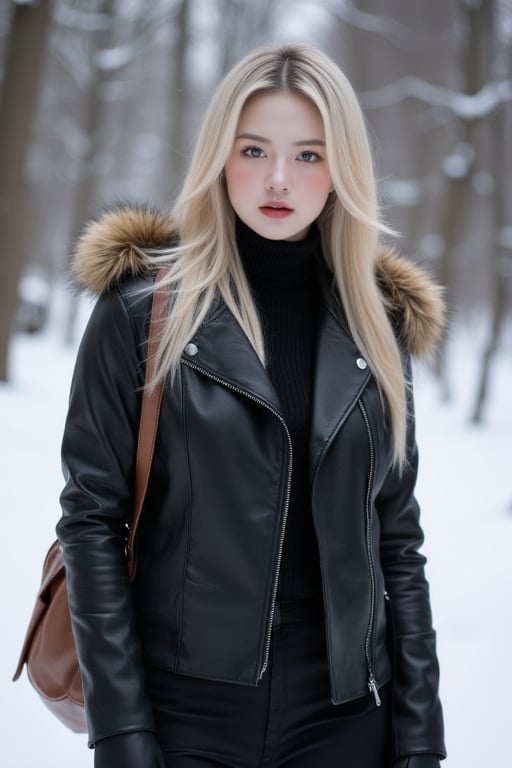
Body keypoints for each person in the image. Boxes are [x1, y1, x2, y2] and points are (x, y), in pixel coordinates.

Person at [57, 43, 447, 768]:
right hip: (184, 714)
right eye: (254, 149)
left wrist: (421, 737)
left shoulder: (376, 325)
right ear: (218, 156)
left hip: (347, 719)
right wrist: (120, 731)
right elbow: (91, 524)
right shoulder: (140, 313)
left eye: (308, 155)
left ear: (342, 171)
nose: (277, 178)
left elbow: (396, 538)